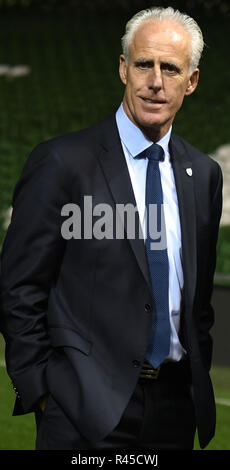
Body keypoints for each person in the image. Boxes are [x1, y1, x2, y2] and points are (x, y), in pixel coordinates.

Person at [0, 6, 222, 450]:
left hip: (175, 410)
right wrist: (43, 391)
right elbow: (19, 286)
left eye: (171, 68)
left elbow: (198, 305)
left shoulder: (205, 174)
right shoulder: (62, 163)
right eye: (144, 64)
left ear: (191, 81)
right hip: (82, 409)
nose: (155, 81)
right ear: (124, 68)